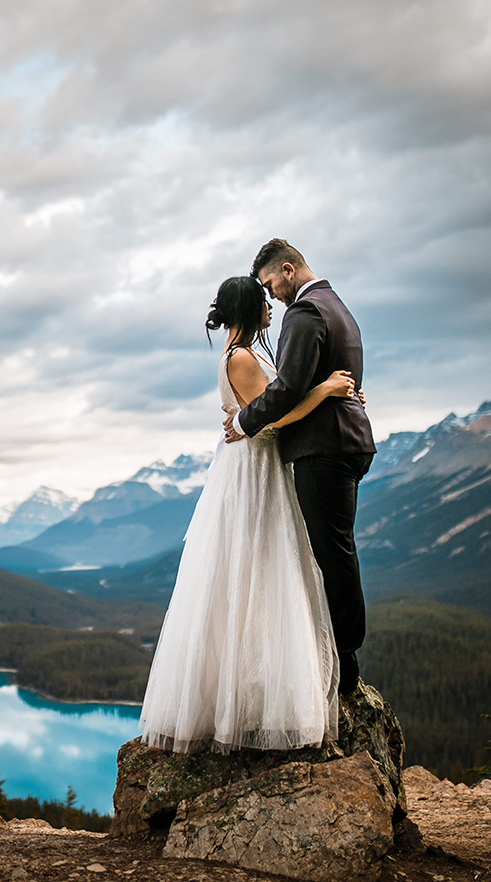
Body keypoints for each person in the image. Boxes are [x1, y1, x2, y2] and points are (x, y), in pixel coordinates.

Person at [139, 275, 359, 752]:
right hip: (253, 472)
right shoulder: (240, 357)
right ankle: (254, 703)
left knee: (259, 574)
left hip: (258, 465)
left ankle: (254, 693)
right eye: (262, 302)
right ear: (246, 308)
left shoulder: (244, 353)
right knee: (259, 573)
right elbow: (275, 415)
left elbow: (270, 404)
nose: (270, 308)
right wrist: (324, 392)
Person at [223, 239, 375, 695]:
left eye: (271, 284)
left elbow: (288, 387)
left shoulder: (305, 312)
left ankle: (344, 663)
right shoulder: (337, 305)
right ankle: (338, 656)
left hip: (322, 448)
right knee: (334, 550)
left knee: (331, 555)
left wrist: (244, 421)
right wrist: (336, 393)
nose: (271, 296)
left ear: (288, 270)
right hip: (345, 441)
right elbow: (335, 375)